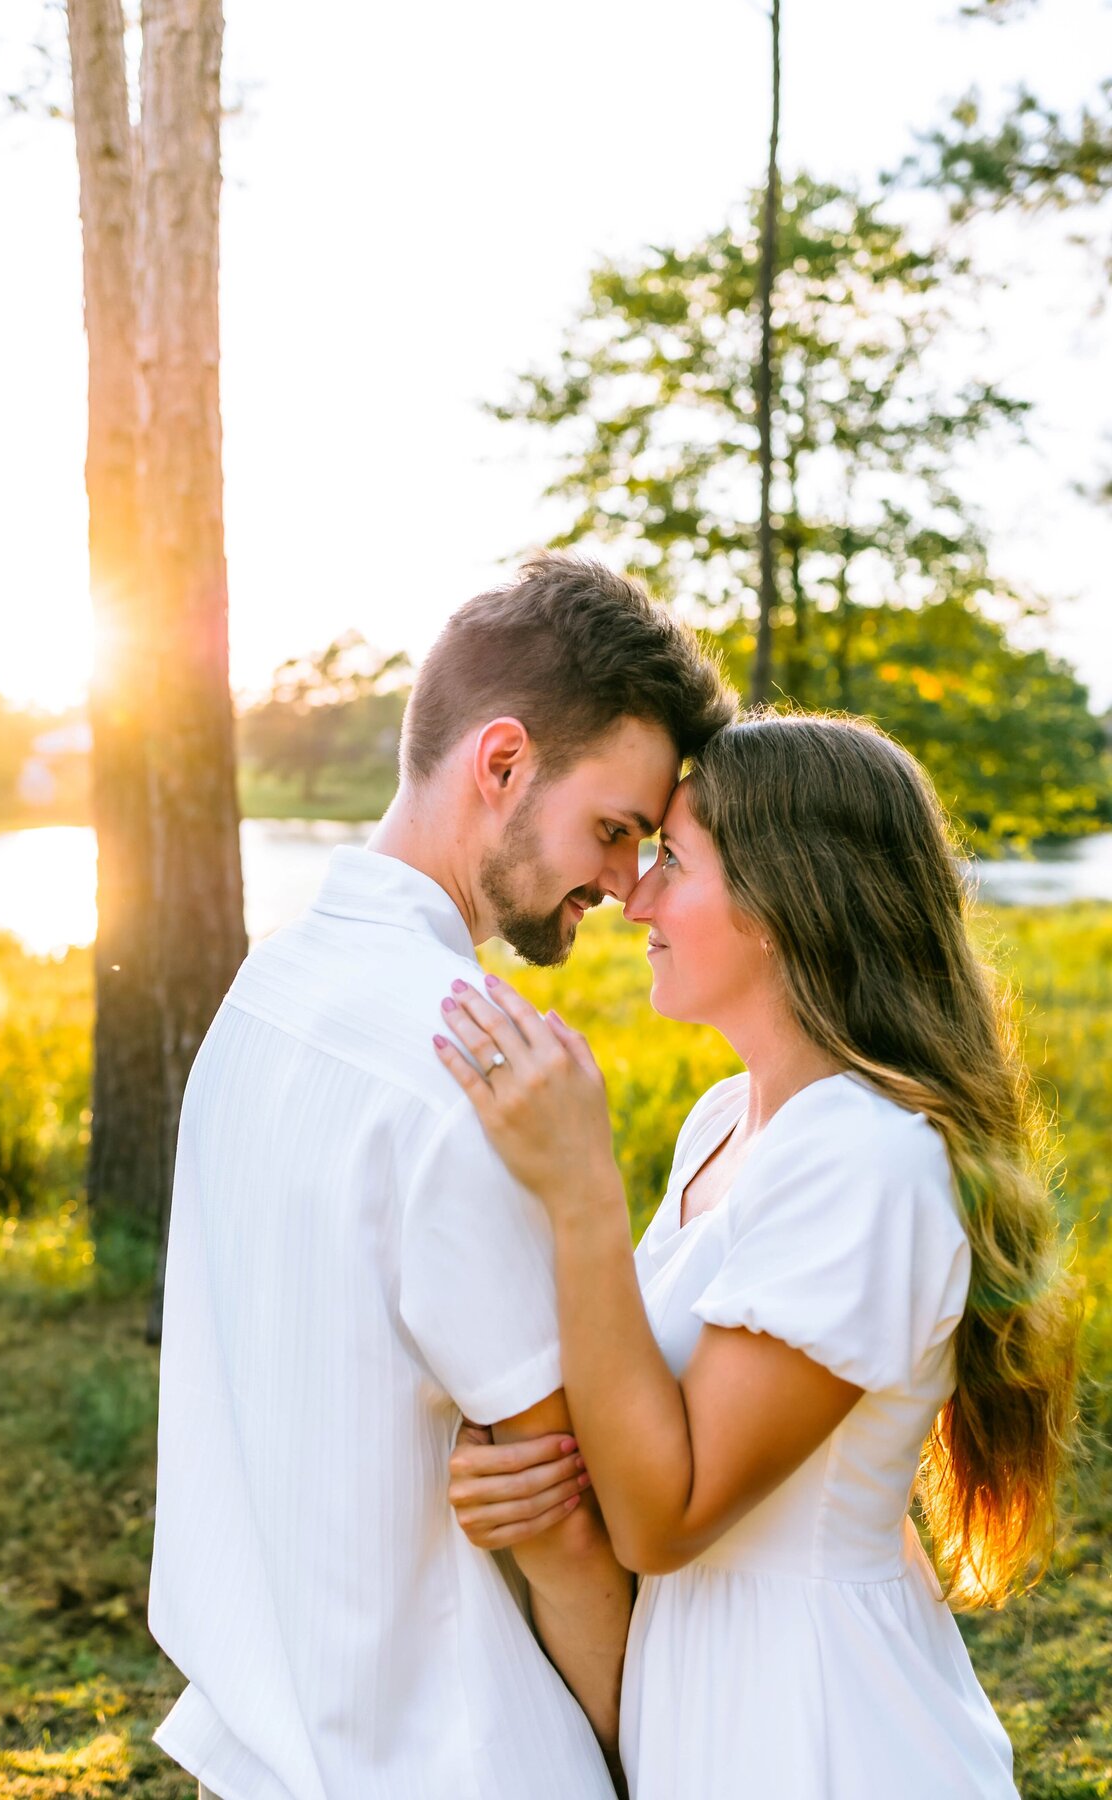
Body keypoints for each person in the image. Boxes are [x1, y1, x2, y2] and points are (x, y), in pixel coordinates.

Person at [147, 552, 735, 1800]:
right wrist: (656, 1767)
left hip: (264, 1748)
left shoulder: (263, 991)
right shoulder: (477, 1069)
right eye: (614, 830)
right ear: (503, 763)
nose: (625, 885)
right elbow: (568, 1536)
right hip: (453, 1759)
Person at [436, 712, 1078, 1800]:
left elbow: (664, 1517)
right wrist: (525, 1480)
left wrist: (583, 1189)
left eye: (674, 861)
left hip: (823, 1727)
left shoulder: (867, 1162)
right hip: (702, 1698)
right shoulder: (725, 1120)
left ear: (789, 902)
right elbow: (634, 1416)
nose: (632, 898)